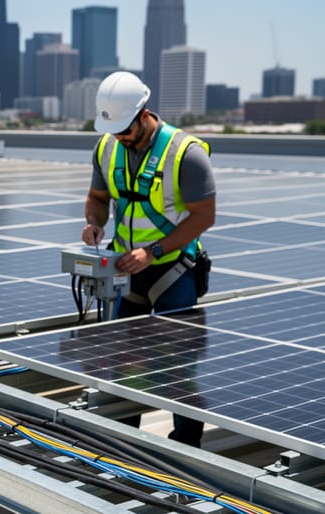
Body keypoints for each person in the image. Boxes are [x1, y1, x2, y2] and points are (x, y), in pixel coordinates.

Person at [81, 71, 216, 448]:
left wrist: (154, 251)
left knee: (177, 367)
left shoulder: (186, 153)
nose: (120, 138)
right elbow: (97, 198)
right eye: (114, 131)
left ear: (144, 115)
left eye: (125, 130)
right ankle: (127, 444)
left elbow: (204, 216)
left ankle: (186, 449)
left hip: (173, 270)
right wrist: (93, 223)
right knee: (125, 365)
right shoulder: (106, 147)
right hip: (126, 270)